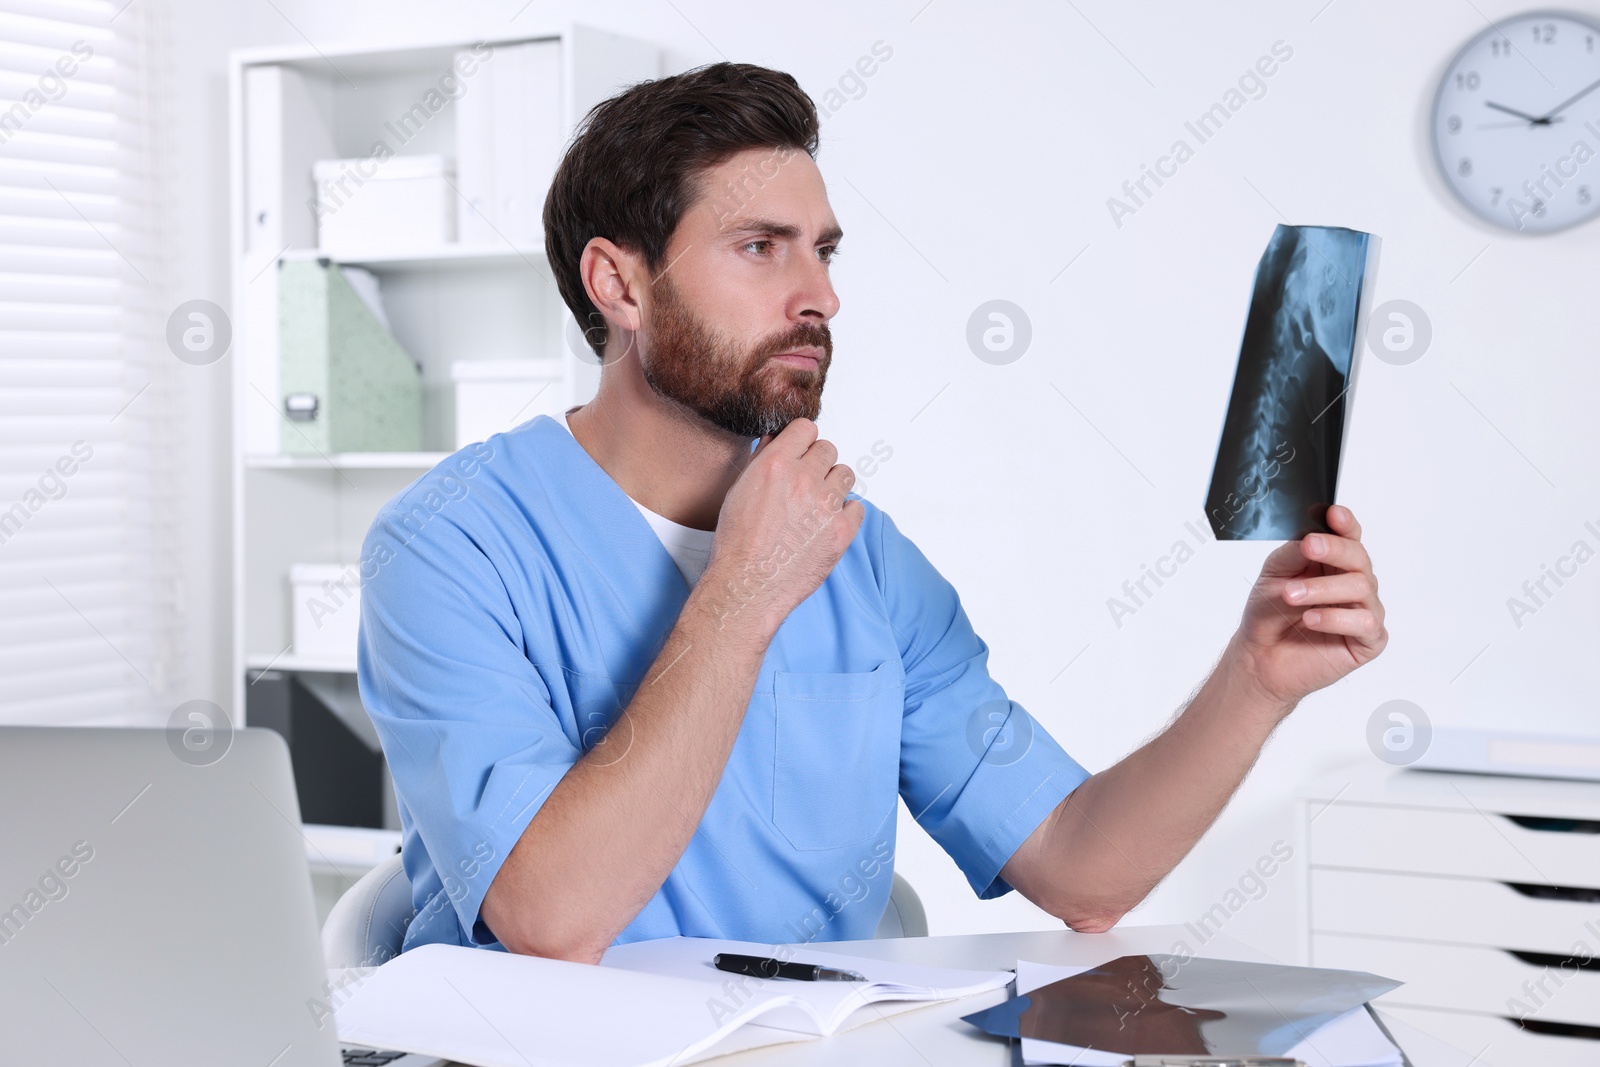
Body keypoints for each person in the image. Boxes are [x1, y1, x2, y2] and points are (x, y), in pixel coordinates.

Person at [356, 62, 1387, 965]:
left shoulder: (861, 553)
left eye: (824, 251)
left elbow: (1081, 868)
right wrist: (745, 590)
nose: (819, 297)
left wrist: (1256, 679)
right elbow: (552, 914)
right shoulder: (447, 547)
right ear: (617, 283)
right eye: (759, 247)